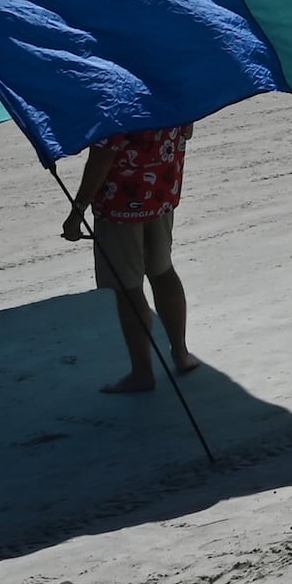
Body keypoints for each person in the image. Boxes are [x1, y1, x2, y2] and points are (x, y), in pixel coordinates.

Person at [67, 125, 198, 394]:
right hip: (161, 193)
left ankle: (142, 372)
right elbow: (187, 131)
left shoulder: (114, 98)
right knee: (162, 271)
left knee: (128, 288)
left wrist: (77, 209)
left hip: (120, 204)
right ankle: (181, 353)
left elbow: (103, 156)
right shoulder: (170, 86)